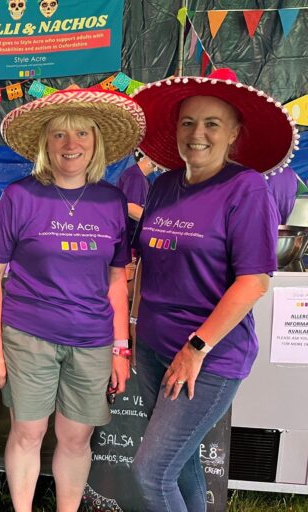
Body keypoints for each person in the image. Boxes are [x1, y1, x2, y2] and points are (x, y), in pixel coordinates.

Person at [130, 68, 297, 511]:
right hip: (152, 348)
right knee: (179, 465)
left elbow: (255, 280)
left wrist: (196, 348)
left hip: (208, 356)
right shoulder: (163, 185)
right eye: (188, 122)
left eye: (211, 124)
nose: (197, 133)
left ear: (234, 135)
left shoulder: (246, 188)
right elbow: (147, 260)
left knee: (151, 472)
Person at [0, 89, 145, 512]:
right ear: (45, 144)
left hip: (90, 340)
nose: (71, 145)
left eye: (81, 134)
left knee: (76, 438)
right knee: (28, 433)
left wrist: (120, 347)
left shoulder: (111, 201)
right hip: (28, 336)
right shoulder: (19, 196)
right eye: (59, 135)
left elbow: (116, 279)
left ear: (96, 142)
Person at [116, 149, 155, 241]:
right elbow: (131, 207)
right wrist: (155, 223)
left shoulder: (143, 178)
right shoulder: (135, 176)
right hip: (128, 239)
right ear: (146, 156)